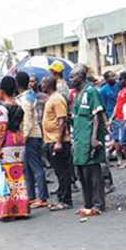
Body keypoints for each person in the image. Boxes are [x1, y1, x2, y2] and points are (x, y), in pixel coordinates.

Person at [70, 64, 107, 216]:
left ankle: (98, 203)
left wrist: (94, 138)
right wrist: (74, 141)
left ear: (82, 76)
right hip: (80, 139)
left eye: (74, 77)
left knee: (93, 173)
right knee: (81, 173)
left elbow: (97, 115)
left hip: (89, 138)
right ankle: (87, 203)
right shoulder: (76, 95)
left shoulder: (91, 92)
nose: (71, 79)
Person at [0, 76, 30, 221]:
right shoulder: (19, 106)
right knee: (18, 175)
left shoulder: (1, 109)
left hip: (7, 143)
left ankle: (9, 211)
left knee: (7, 176)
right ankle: (21, 208)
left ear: (2, 91)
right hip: (18, 141)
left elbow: (1, 130)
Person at [15, 72, 48, 209]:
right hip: (30, 136)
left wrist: (23, 137)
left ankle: (42, 197)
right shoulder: (27, 96)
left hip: (31, 137)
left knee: (36, 168)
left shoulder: (25, 100)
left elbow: (27, 121)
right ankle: (32, 196)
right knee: (27, 169)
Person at [41, 75, 73, 210]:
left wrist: (59, 142)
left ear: (48, 84)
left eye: (43, 83)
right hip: (51, 140)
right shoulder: (50, 99)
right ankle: (62, 197)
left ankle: (66, 200)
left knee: (63, 172)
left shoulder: (57, 99)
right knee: (59, 172)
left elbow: (62, 121)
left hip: (58, 141)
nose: (41, 85)